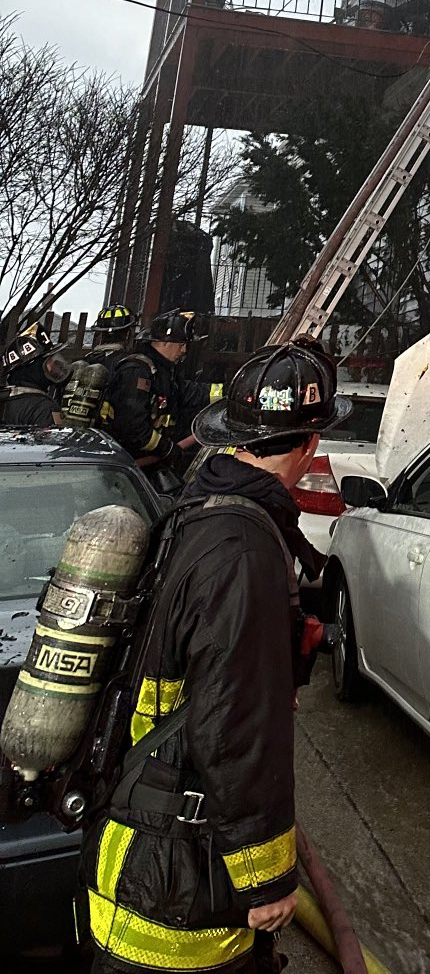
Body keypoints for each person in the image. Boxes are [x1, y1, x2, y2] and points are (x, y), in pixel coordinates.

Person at [82, 341, 351, 974]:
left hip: (138, 852)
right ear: (310, 444)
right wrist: (266, 880)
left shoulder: (197, 506)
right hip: (175, 890)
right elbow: (235, 723)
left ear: (233, 436)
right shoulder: (243, 551)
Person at [101, 311, 214, 481]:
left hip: (145, 464)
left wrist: (229, 393)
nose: (184, 350)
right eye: (181, 344)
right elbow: (132, 429)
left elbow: (190, 393)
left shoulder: (163, 372)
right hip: (126, 466)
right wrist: (166, 448)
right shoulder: (136, 372)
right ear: (164, 342)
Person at [0, 322, 68, 425]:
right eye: (49, 361)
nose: (56, 366)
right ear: (35, 367)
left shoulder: (5, 399)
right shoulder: (45, 408)